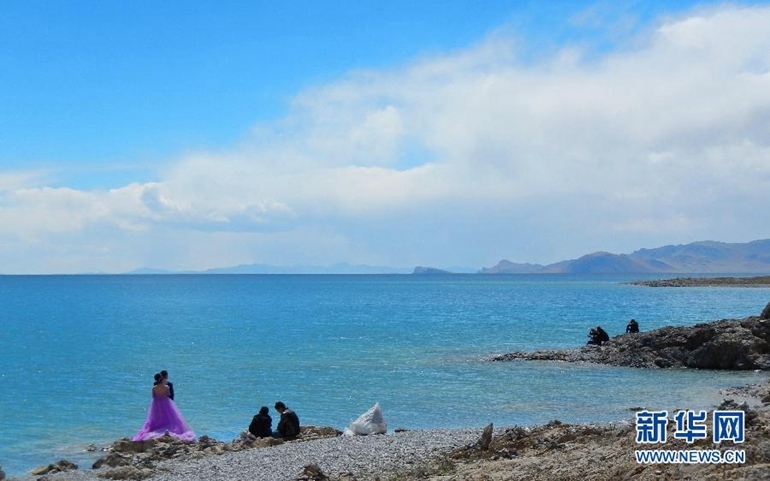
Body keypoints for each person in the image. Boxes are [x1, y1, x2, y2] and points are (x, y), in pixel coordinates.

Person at [133, 373, 195, 442]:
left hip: (156, 403)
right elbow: (168, 394)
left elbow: (153, 396)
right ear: (161, 378)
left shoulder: (154, 388)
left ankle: (157, 428)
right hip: (165, 402)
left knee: (157, 417)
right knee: (168, 416)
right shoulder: (166, 387)